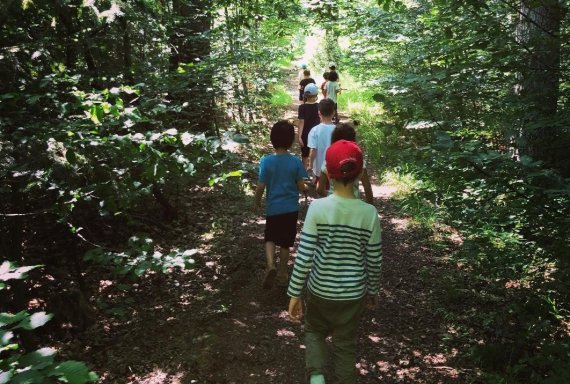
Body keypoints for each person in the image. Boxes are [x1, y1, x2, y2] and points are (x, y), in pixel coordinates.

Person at [287, 139, 382, 384]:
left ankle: (317, 378)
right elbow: (374, 259)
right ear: (360, 174)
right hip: (353, 295)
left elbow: (305, 255)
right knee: (345, 344)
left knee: (315, 332)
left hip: (319, 291)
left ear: (327, 172)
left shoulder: (318, 209)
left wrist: (295, 293)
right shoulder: (369, 214)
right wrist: (372, 290)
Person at [255, 120, 308, 289]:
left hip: (273, 208)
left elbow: (261, 186)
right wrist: (306, 189)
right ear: (291, 141)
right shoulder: (295, 162)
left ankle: (270, 265)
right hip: (290, 209)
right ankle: (283, 272)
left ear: (272, 139)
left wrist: (256, 201)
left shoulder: (266, 161)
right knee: (286, 241)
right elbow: (301, 186)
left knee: (270, 237)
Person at [316, 122, 374, 204]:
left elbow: (319, 189)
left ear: (334, 140)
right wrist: (369, 206)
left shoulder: (328, 161)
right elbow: (367, 188)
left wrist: (330, 194)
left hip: (333, 205)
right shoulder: (359, 162)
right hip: (354, 204)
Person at [307, 99, 336, 187]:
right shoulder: (338, 130)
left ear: (319, 113)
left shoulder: (314, 130)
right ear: (333, 113)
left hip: (319, 169)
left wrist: (310, 165)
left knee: (320, 190)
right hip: (333, 169)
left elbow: (313, 150)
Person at [298, 83, 320, 170]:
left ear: (305, 95)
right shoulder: (319, 106)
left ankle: (303, 175)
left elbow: (301, 122)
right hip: (317, 134)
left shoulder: (302, 107)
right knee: (316, 153)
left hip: (305, 134)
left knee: (304, 155)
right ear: (316, 95)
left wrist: (299, 136)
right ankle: (315, 175)